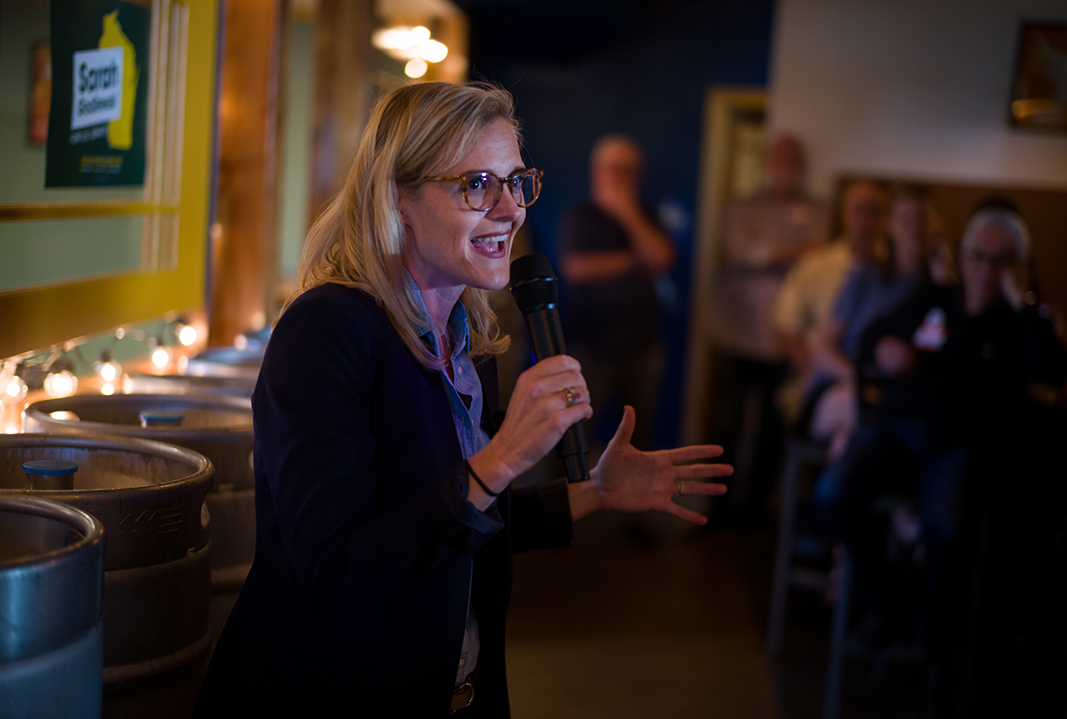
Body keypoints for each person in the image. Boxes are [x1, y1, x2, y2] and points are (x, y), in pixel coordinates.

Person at [194, 82, 730, 718]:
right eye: (477, 184)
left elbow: (461, 522)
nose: (510, 211)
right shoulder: (328, 330)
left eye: (516, 182)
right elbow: (338, 570)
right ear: (397, 198)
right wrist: (503, 458)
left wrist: (593, 492)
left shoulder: (469, 339)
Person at [815, 201, 1067, 660]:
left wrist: (1021, 300)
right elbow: (871, 335)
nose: (985, 270)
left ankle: (931, 629)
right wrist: (885, 347)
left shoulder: (1020, 322)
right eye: (977, 256)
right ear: (963, 255)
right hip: (894, 432)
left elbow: (1054, 373)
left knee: (947, 526)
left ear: (1018, 266)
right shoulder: (934, 298)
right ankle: (888, 604)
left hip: (959, 446)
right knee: (833, 493)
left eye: (1001, 260)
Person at [708, 133, 828, 521]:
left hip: (784, 338)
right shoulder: (742, 205)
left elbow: (818, 255)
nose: (783, 164)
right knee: (727, 423)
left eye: (791, 157)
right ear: (766, 162)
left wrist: (766, 249)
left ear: (801, 165)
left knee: (771, 430)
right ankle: (717, 509)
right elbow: (742, 250)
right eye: (778, 156)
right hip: (737, 332)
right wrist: (790, 250)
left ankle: (753, 512)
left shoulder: (817, 209)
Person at [557, 135, 676, 450]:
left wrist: (627, 213)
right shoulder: (580, 216)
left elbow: (662, 258)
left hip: (642, 346)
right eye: (613, 168)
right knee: (577, 433)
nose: (621, 177)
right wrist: (635, 260)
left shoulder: (646, 214)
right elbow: (577, 268)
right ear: (597, 171)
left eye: (628, 170)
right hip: (590, 347)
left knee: (639, 435)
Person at [808, 187, 940, 457]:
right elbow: (822, 347)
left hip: (900, 398)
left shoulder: (938, 292)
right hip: (843, 388)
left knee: (848, 440)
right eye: (905, 220)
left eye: (922, 220)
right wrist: (857, 379)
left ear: (934, 227)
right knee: (862, 411)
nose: (914, 229)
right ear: (890, 226)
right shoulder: (864, 278)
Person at [772, 179, 889, 430]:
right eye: (859, 210)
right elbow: (786, 325)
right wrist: (816, 370)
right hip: (825, 378)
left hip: (877, 384)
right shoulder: (816, 265)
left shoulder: (895, 272)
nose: (866, 221)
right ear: (844, 213)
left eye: (875, 211)